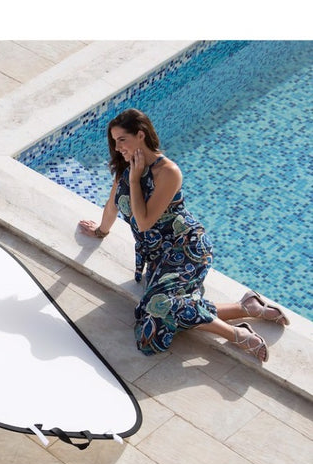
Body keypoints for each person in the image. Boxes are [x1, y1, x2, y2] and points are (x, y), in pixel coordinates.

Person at [78, 108, 289, 361]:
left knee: (157, 310)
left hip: (188, 248)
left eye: (122, 139)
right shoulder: (126, 168)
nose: (117, 147)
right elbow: (112, 204)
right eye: (114, 141)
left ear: (141, 135)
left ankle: (238, 335)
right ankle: (245, 307)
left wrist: (134, 181)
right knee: (154, 324)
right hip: (159, 257)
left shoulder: (168, 172)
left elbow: (144, 223)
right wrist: (100, 231)